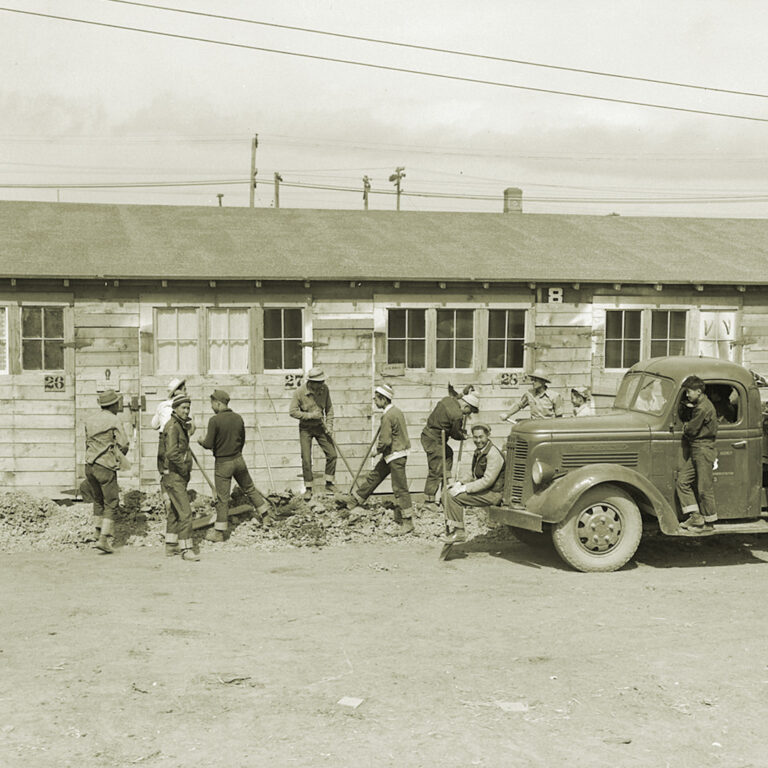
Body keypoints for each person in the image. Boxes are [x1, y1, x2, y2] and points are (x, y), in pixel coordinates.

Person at [336, 384, 414, 534]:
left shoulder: (388, 416)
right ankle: (355, 500)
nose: (374, 401)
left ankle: (408, 521)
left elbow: (385, 441)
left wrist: (376, 451)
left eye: (376, 399)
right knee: (375, 476)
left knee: (400, 488)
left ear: (383, 399)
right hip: (393, 454)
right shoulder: (396, 411)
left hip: (395, 455)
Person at [197, 389, 272, 542]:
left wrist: (200, 441)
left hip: (223, 463)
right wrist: (236, 452)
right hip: (239, 460)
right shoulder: (238, 418)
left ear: (218, 403)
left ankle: (219, 532)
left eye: (212, 403)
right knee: (250, 489)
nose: (211, 407)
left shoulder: (214, 420)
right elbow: (242, 439)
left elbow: (208, 444)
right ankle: (266, 516)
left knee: (222, 498)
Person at [443, 423, 506, 545]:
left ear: (488, 435)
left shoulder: (493, 454)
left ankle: (459, 532)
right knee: (446, 492)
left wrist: (464, 488)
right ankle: (455, 529)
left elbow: (487, 481)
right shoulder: (480, 451)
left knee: (453, 497)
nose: (478, 440)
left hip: (494, 493)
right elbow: (473, 474)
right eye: (475, 437)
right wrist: (458, 483)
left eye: (481, 437)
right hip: (486, 491)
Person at [83, 389, 130, 554]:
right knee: (112, 502)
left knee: (98, 499)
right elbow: (124, 443)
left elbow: (87, 441)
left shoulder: (90, 420)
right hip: (105, 466)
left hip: (89, 466)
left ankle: (96, 532)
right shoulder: (114, 419)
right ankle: (104, 539)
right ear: (114, 404)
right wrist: (118, 455)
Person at [420, 391, 480, 505]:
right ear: (466, 406)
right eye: (469, 412)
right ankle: (429, 501)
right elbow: (455, 434)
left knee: (448, 454)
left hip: (428, 435)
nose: (468, 414)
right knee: (436, 469)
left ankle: (445, 483)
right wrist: (464, 435)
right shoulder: (457, 415)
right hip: (434, 440)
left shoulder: (448, 399)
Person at [676, 375, 718, 533]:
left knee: (704, 488)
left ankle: (709, 524)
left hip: (703, 449)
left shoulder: (702, 408)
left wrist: (685, 425)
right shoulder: (701, 405)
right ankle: (696, 517)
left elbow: (691, 430)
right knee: (682, 482)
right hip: (697, 450)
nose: (687, 394)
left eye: (689, 391)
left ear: (699, 391)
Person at [160, 393, 199, 561]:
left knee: (175, 512)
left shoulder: (179, 425)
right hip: (175, 476)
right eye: (183, 408)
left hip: (176, 477)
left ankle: (170, 546)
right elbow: (171, 452)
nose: (186, 411)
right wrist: (183, 468)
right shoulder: (173, 427)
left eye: (188, 408)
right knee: (186, 513)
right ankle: (186, 549)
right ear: (175, 409)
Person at [289, 367, 336, 500]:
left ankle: (329, 483)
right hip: (306, 429)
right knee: (306, 459)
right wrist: (310, 416)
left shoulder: (325, 389)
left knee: (332, 454)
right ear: (311, 382)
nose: (321, 384)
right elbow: (292, 412)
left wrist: (330, 426)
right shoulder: (299, 392)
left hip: (321, 427)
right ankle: (308, 488)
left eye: (322, 381)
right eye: (319, 382)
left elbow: (329, 409)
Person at [152, 377, 195, 478]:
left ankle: (166, 490)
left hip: (164, 438)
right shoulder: (185, 407)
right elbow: (192, 429)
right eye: (185, 389)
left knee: (165, 472)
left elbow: (154, 425)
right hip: (179, 440)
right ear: (178, 391)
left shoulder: (162, 405)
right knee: (180, 472)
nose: (186, 391)